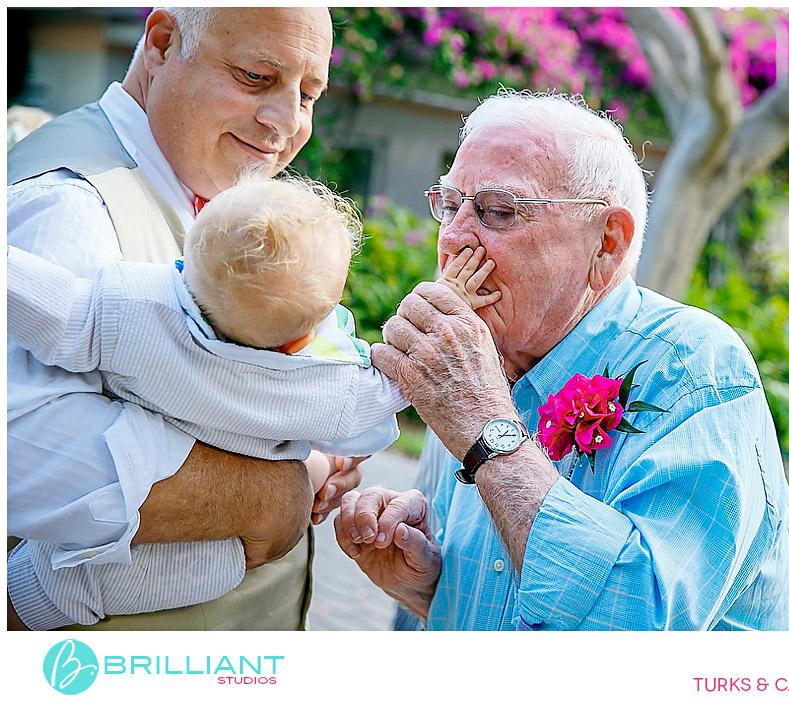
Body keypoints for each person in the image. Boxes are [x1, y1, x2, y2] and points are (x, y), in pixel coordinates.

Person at [334, 89, 789, 630]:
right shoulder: (471, 369)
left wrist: (483, 425)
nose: (453, 239)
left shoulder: (692, 366)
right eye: (450, 206)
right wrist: (431, 589)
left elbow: (636, 629)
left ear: (607, 243)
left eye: (498, 211)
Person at [7, 175, 499, 628]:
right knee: (222, 565)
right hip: (203, 541)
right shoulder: (320, 387)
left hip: (130, 490)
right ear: (300, 339)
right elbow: (395, 384)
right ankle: (38, 597)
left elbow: (52, 308)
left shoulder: (133, 315)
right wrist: (448, 298)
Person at [6, 7, 349, 631]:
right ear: (162, 43)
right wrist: (273, 494)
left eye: (308, 93)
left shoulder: (203, 186)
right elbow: (17, 448)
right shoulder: (69, 201)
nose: (287, 122)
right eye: (254, 76)